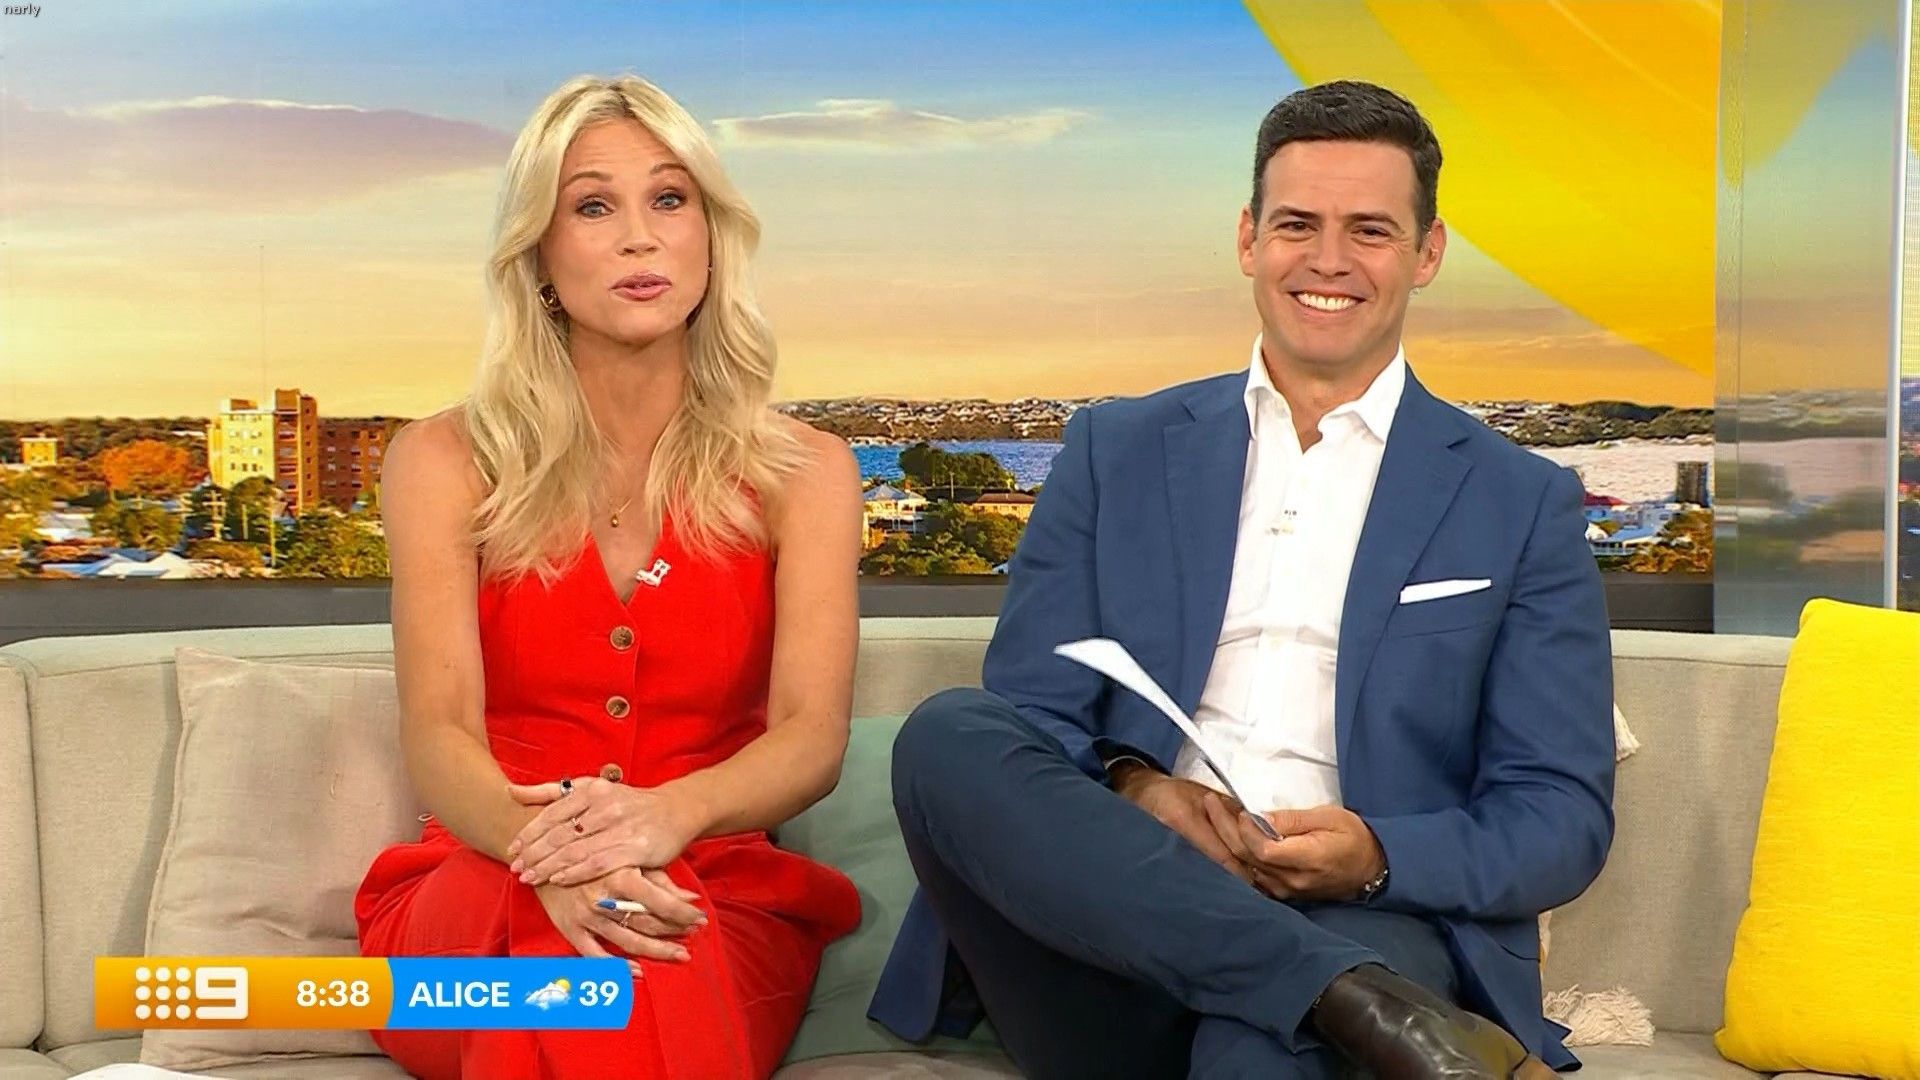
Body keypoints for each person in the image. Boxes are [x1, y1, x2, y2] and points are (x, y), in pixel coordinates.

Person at [869, 80, 1614, 1079]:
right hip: (1113, 919)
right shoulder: (1113, 449)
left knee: (1257, 1052)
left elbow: (1559, 817)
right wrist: (1135, 786)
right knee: (949, 735)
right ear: (1248, 239)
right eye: (1297, 224)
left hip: (1368, 913)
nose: (1328, 260)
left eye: (1370, 231)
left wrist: (1376, 855)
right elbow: (1035, 715)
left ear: (1428, 252)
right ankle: (1349, 1002)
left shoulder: (1518, 499)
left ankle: (1329, 987)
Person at [355, 74, 863, 1080]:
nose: (640, 237)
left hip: (716, 886)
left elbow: (811, 737)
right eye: (593, 207)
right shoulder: (441, 461)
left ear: (710, 237)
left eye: (669, 199)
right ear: (539, 252)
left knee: (634, 954)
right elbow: (440, 731)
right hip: (477, 885)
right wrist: (554, 861)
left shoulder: (807, 473)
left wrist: (666, 819)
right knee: (594, 958)